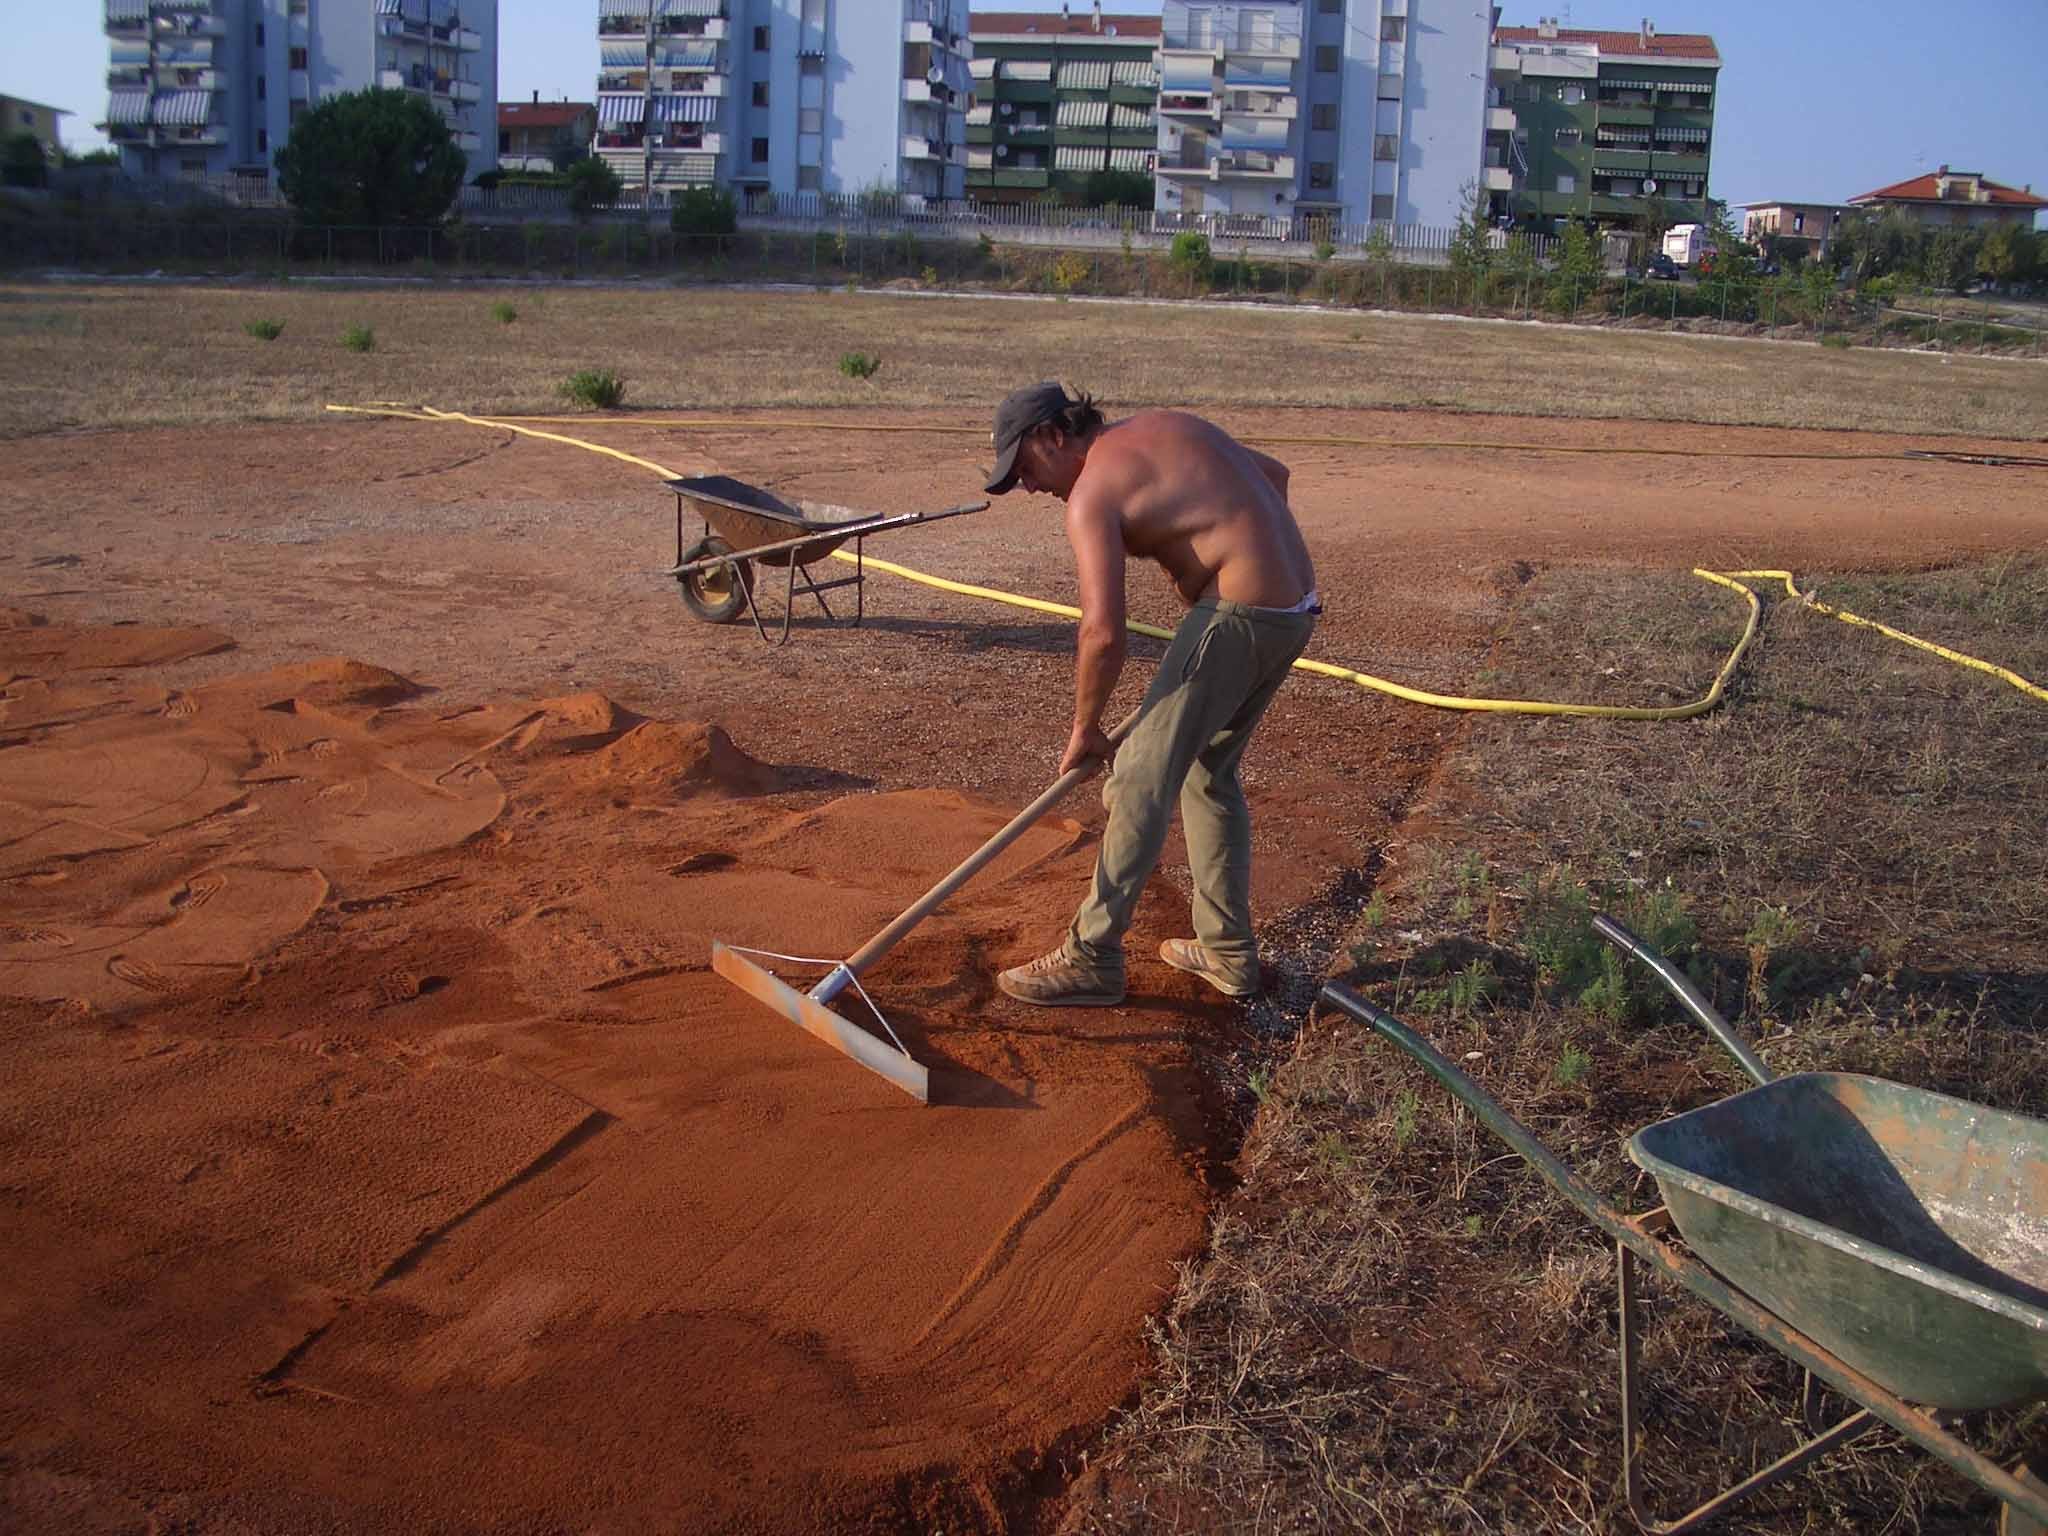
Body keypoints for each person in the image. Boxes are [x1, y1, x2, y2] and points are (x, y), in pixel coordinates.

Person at [981, 382, 1319, 1008]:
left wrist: (1086, 728)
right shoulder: (1163, 427)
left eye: (1025, 468)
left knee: (1136, 776)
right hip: (1294, 609)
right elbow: (1273, 473)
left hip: (1240, 615)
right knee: (1206, 772)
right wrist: (1242, 556)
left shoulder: (1090, 494)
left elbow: (1102, 632)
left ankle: (1091, 957)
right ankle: (1227, 952)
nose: (1028, 486)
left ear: (1054, 436)